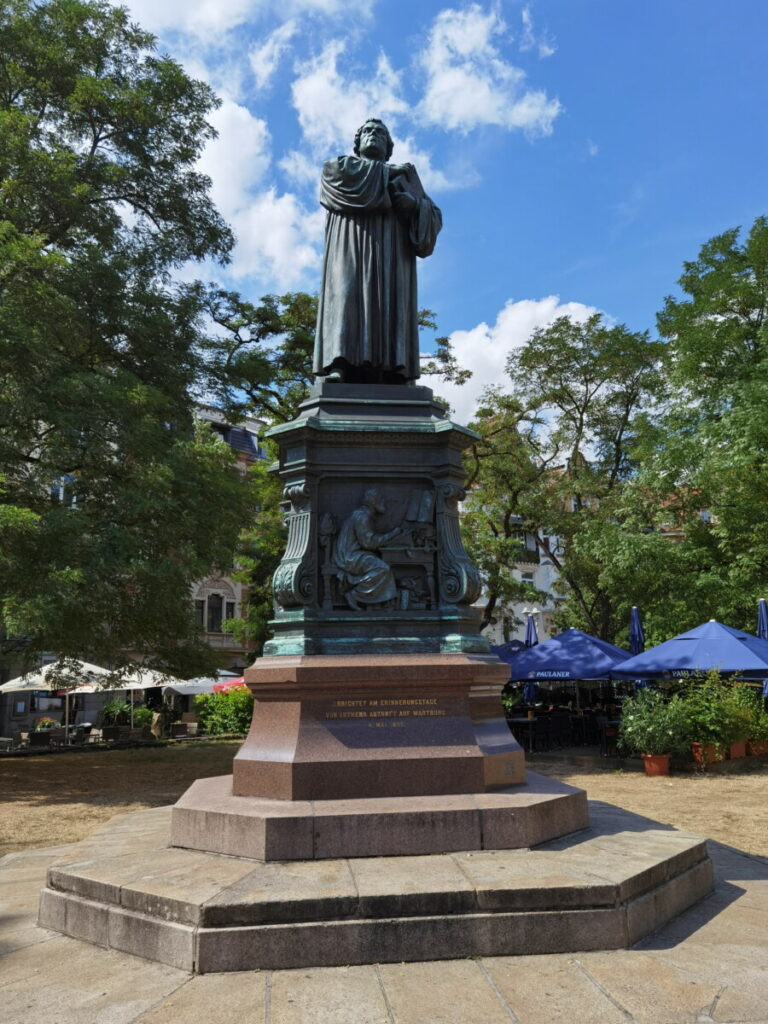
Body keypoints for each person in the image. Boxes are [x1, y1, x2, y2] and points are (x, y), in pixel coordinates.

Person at [314, 118, 442, 384]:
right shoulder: (341, 168)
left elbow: (433, 220)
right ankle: (340, 363)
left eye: (381, 133)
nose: (374, 135)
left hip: (393, 255)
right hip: (350, 246)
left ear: (389, 146)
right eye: (368, 132)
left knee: (391, 303)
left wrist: (415, 206)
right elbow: (332, 178)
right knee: (347, 297)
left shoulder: (406, 177)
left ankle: (395, 369)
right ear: (358, 143)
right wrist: (387, 173)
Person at [334, 488, 402, 608]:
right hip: (349, 557)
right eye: (380, 499)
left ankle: (380, 603)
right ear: (373, 502)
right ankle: (354, 593)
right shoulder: (362, 516)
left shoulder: (363, 514)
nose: (383, 502)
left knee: (380, 564)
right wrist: (392, 535)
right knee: (383, 569)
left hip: (352, 554)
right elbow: (368, 543)